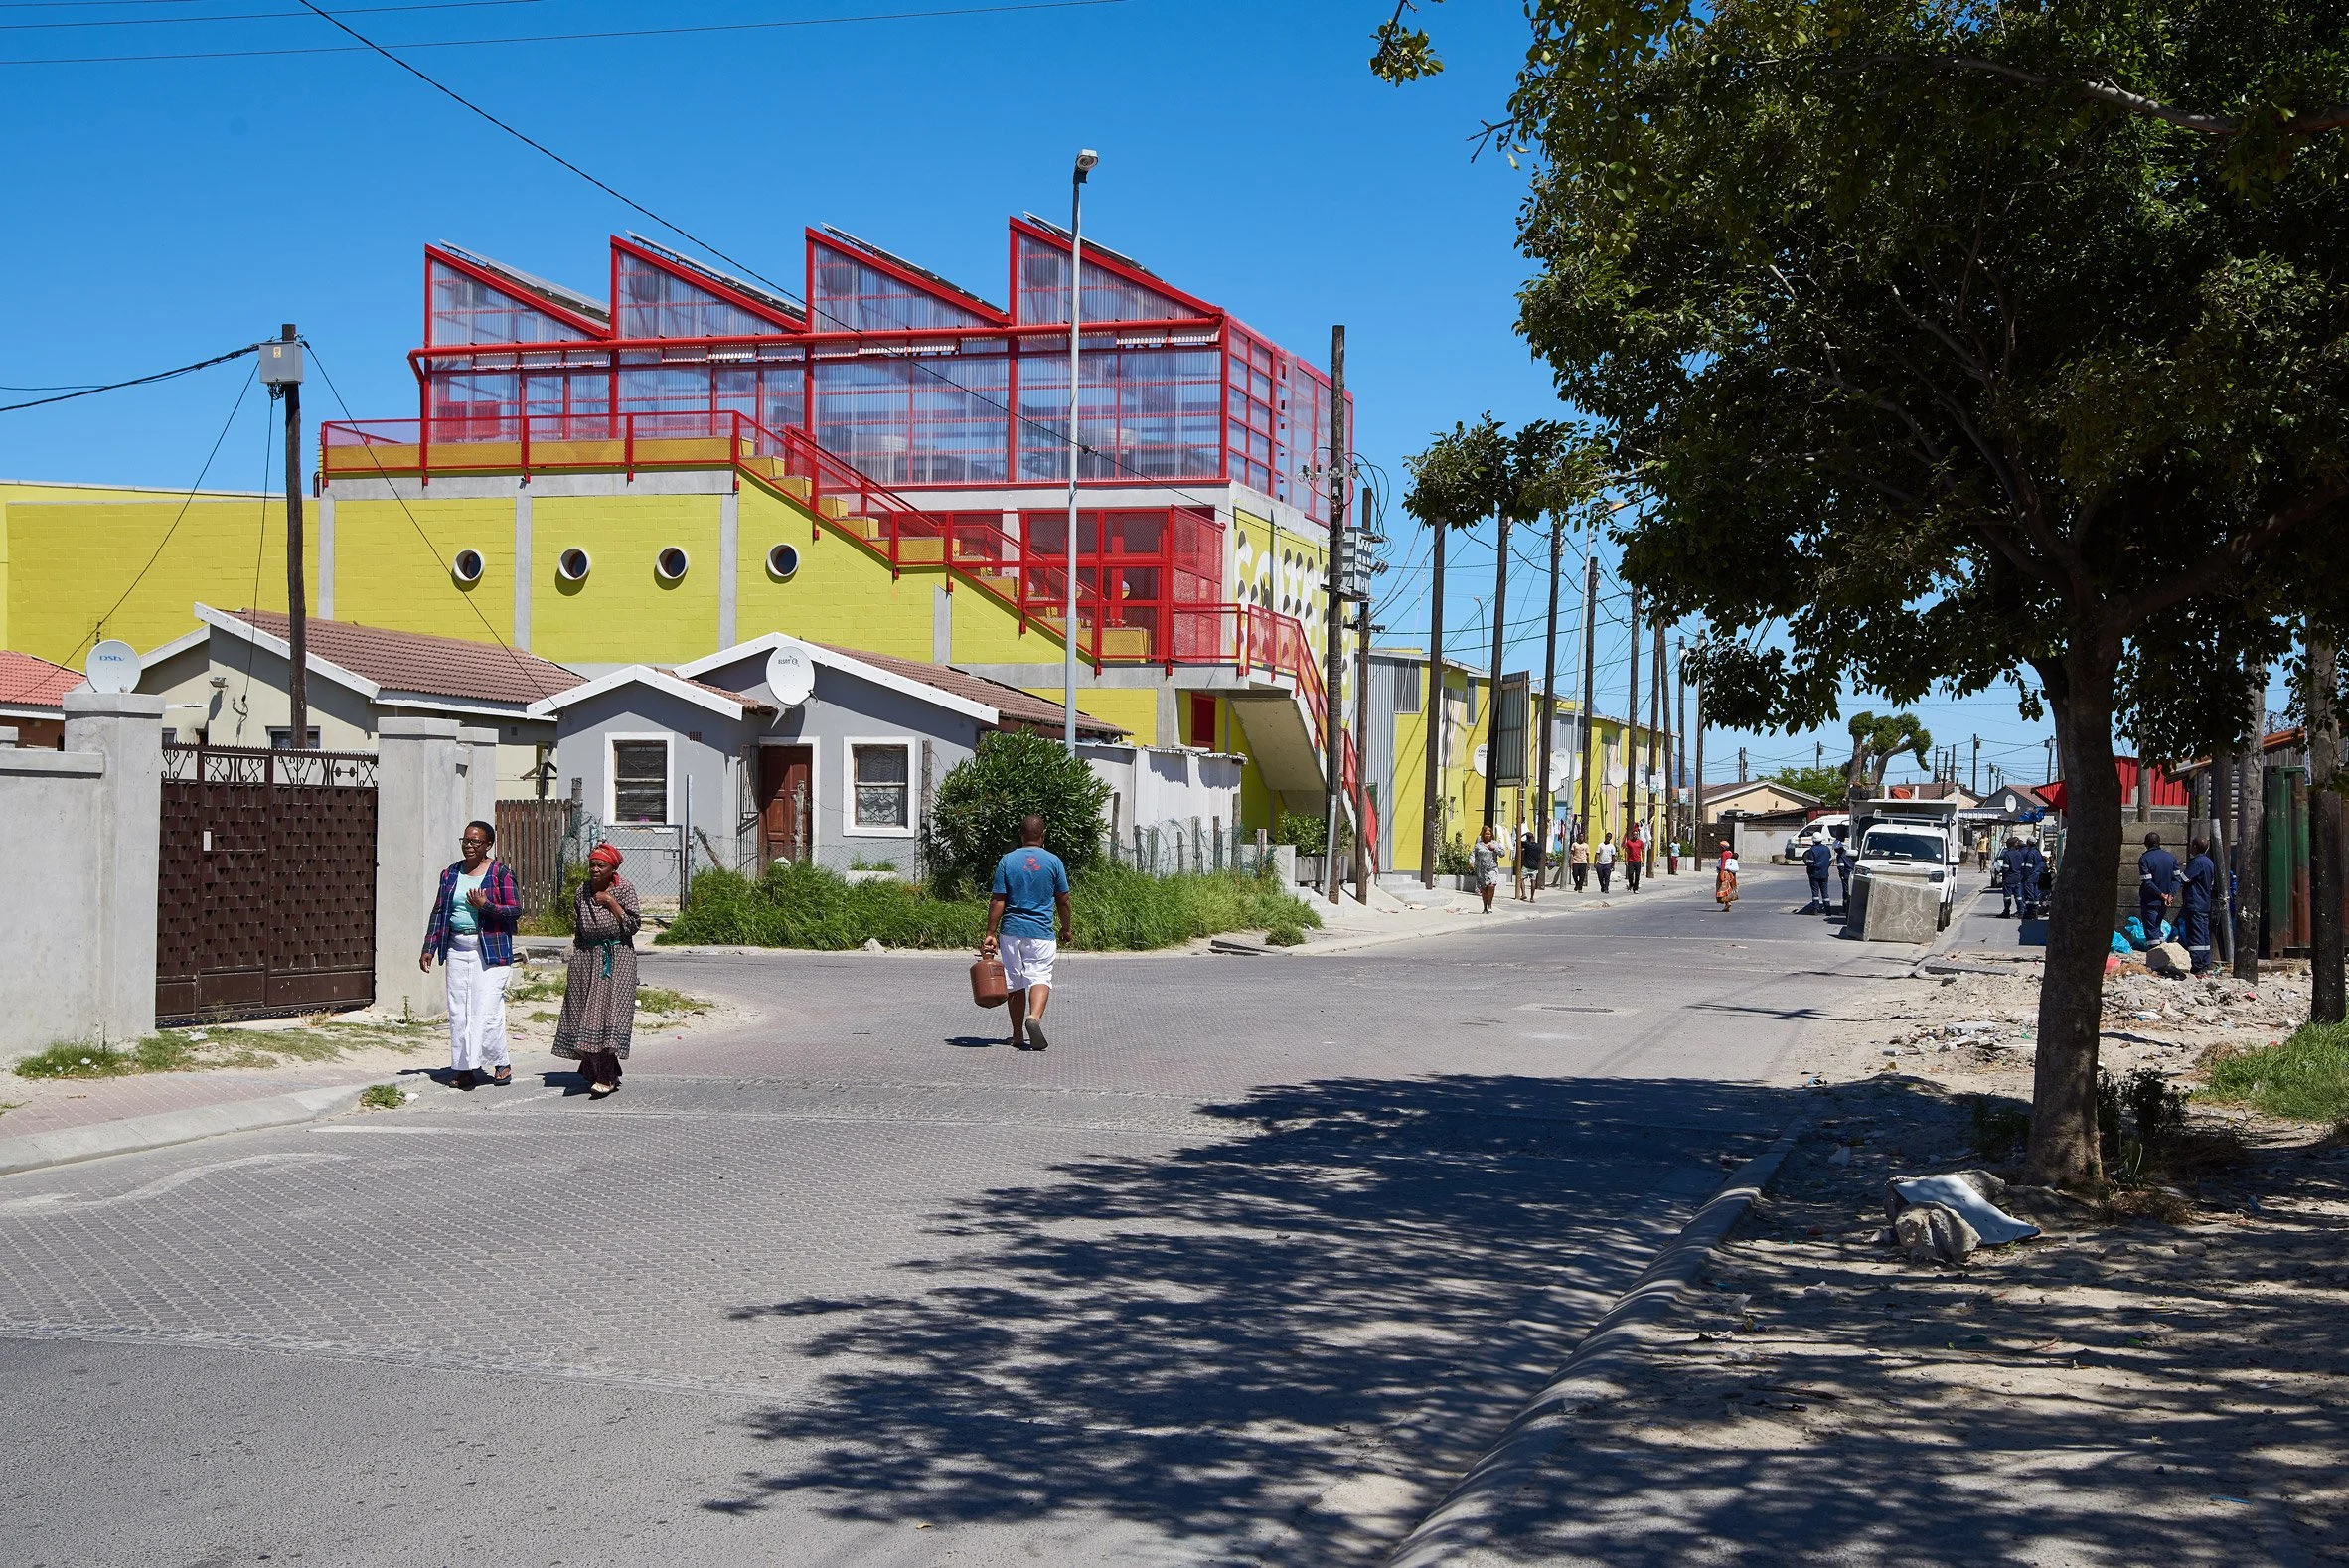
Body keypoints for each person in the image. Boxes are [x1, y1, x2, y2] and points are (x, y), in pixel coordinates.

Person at [419, 819, 522, 1090]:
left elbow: (514, 910)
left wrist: (485, 905)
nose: (469, 846)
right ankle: (464, 1068)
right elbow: (439, 911)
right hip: (457, 948)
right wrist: (430, 947)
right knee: (459, 1011)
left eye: (476, 841)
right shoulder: (450, 874)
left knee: (486, 1010)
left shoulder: (500, 874)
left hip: (490, 949)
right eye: (466, 840)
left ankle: (500, 1062)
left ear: (488, 845)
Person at [553, 842, 642, 1097]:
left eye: (600, 865)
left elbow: (633, 926)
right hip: (586, 956)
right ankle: (605, 1066)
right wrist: (577, 961)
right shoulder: (582, 891)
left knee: (607, 1015)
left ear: (612, 868)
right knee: (582, 1013)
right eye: (592, 865)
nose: (594, 870)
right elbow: (578, 927)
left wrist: (612, 904)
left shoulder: (624, 889)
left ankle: (606, 1074)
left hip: (617, 957)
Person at [982, 814, 1073, 1049]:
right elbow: (1063, 900)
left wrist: (990, 932)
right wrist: (1066, 928)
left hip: (1011, 931)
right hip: (1041, 932)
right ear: (1043, 836)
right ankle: (1033, 1018)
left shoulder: (1007, 860)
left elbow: (998, 900)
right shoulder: (1054, 861)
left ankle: (1017, 1035)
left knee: (1014, 981)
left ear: (1021, 835)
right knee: (1040, 976)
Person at [2181, 837, 2218, 974]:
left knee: (2196, 935)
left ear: (2195, 846)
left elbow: (2184, 879)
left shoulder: (2197, 862)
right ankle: (2205, 963)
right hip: (2204, 904)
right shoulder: (2209, 862)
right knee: (2203, 934)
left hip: (2195, 903)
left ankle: (2197, 965)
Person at [2138, 831, 2180, 949]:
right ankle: (2162, 955)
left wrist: (2162, 895)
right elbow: (2177, 879)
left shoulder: (2145, 859)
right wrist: (2170, 895)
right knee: (2157, 927)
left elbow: (2147, 883)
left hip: (2151, 901)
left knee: (2152, 932)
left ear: (2146, 843)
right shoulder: (2171, 858)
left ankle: (2155, 960)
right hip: (2164, 902)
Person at [1471, 824, 1502, 912]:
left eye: (1489, 834)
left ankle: (1490, 905)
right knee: (1484, 889)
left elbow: (1502, 853)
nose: (1487, 835)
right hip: (1481, 870)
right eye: (1486, 834)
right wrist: (1471, 862)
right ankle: (1484, 907)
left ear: (1491, 834)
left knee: (1492, 886)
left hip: (1492, 868)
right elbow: (1473, 854)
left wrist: (1495, 848)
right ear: (1483, 834)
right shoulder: (1478, 845)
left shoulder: (1495, 843)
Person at [1802, 836, 1834, 912]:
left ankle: (1816, 909)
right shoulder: (1826, 849)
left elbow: (1810, 863)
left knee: (1815, 893)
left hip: (1814, 874)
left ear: (1813, 840)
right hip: (1824, 874)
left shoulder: (1812, 850)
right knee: (1825, 893)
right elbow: (1830, 860)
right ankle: (1828, 909)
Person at [1516, 824, 1543, 903]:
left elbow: (1517, 840)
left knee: (1521, 879)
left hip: (1527, 865)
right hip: (1535, 866)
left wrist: (1523, 834)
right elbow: (1540, 854)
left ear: (1527, 838)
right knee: (1533, 881)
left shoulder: (1527, 844)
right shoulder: (1538, 845)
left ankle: (1524, 894)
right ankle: (1532, 898)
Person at [1715, 840, 1741, 911]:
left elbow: (1723, 864)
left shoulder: (1724, 854)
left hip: (1725, 873)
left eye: (1720, 847)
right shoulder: (1730, 853)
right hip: (1730, 874)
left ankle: (1727, 903)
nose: (1719, 848)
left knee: (1722, 888)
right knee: (1728, 888)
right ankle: (1727, 903)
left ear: (1723, 847)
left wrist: (1721, 873)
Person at [1624, 825, 1646, 891]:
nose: (1634, 835)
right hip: (1630, 860)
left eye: (1636, 834)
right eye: (1633, 834)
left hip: (1638, 860)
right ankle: (1631, 884)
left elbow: (1643, 852)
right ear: (1632, 835)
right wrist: (1625, 860)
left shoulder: (1640, 842)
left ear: (1637, 835)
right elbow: (1626, 851)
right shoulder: (1628, 842)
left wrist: (1643, 861)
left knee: (1637, 875)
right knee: (1630, 874)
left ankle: (1635, 888)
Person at [1834, 834, 1853, 909]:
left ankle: (1846, 908)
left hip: (1846, 874)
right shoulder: (1848, 852)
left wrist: (1842, 875)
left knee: (1846, 891)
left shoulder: (1840, 856)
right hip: (1852, 873)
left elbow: (1841, 867)